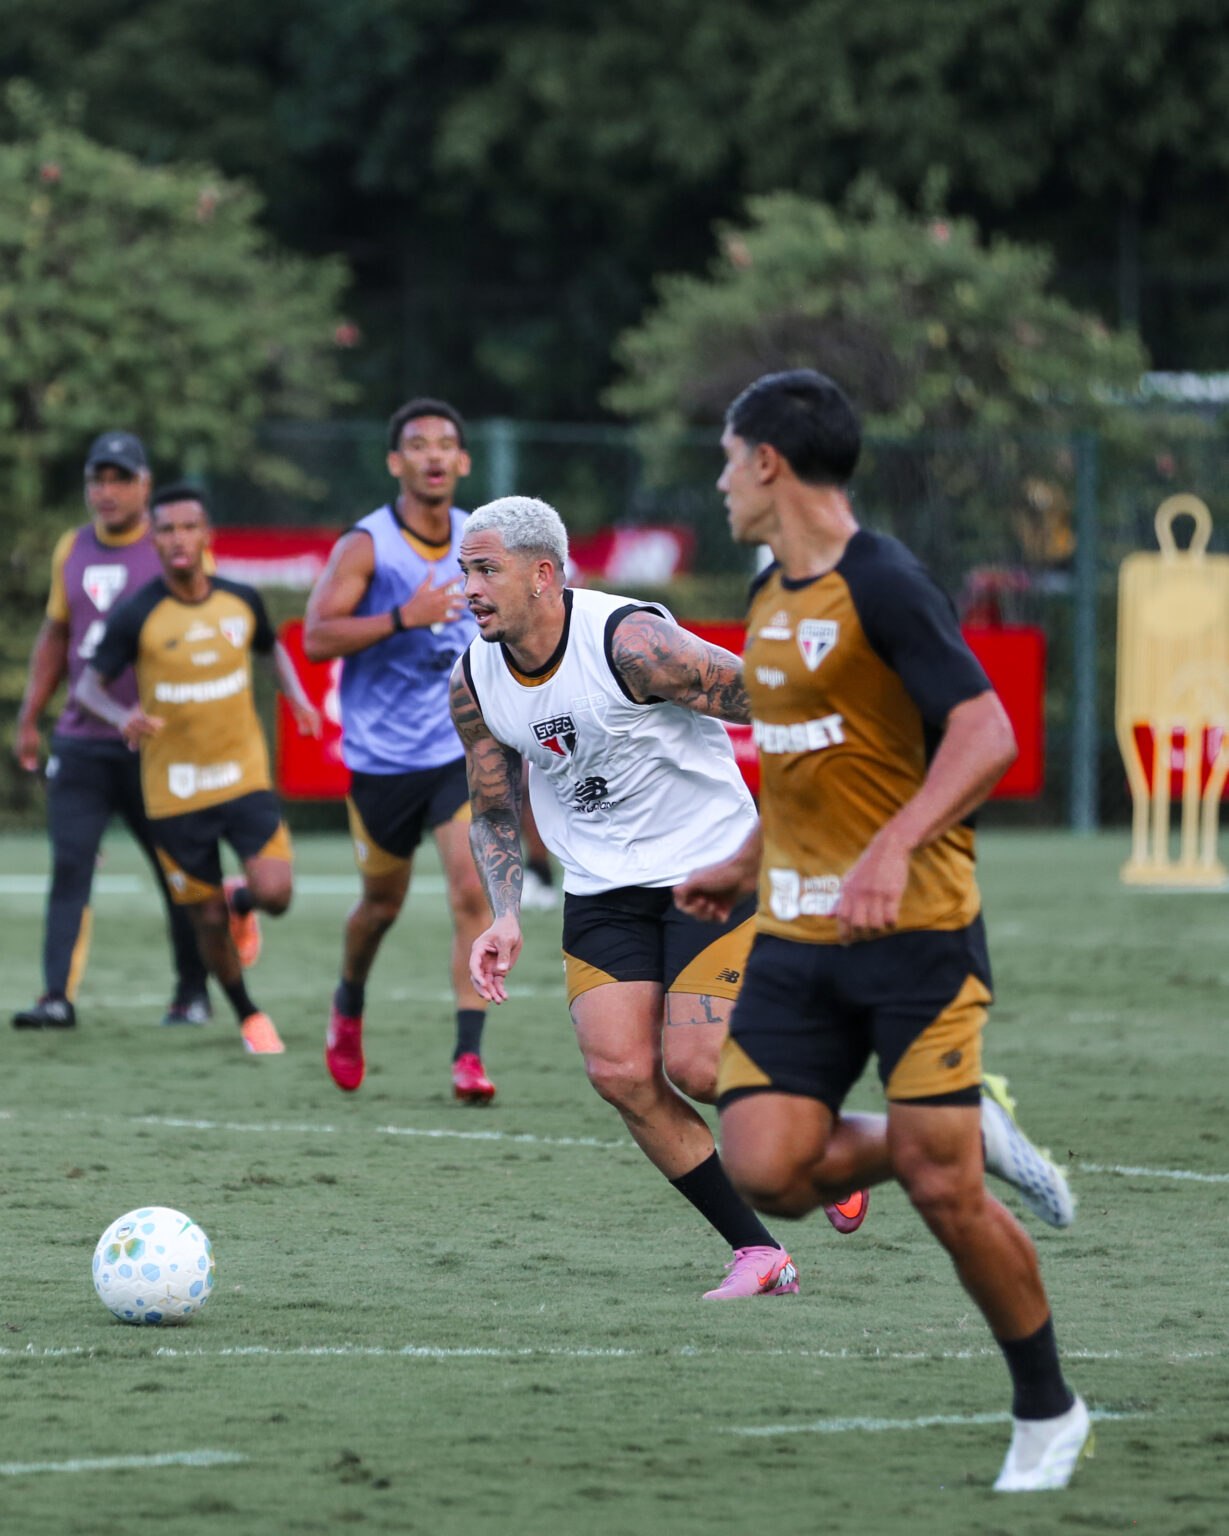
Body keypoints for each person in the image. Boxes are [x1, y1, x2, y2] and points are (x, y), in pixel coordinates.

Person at [675, 369, 1088, 1489]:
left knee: (943, 1192)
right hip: (797, 944)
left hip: (916, 940)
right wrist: (743, 860)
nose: (717, 483)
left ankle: (1046, 1411)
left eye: (724, 460)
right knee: (765, 1168)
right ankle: (952, 1132)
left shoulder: (885, 584)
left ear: (766, 461)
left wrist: (895, 847)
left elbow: (984, 734)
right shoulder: (766, 592)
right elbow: (818, 773)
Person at [451, 494, 870, 1301]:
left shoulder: (631, 644)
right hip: (603, 890)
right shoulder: (472, 679)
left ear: (543, 574)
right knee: (619, 1071)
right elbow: (495, 808)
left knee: (699, 1066)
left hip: (709, 869)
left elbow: (776, 704)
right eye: (464, 570)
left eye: (484, 570)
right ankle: (759, 1253)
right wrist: (504, 911)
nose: (467, 587)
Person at [74, 484, 320, 1055]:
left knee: (277, 892)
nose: (178, 539)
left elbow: (268, 648)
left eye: (189, 527)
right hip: (174, 793)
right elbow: (89, 685)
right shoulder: (138, 613)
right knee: (203, 920)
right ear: (154, 539)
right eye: (167, 529)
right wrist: (121, 714)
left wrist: (298, 698)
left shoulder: (241, 598)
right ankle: (248, 1014)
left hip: (242, 775)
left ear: (206, 535)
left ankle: (245, 901)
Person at [303, 398, 495, 1101]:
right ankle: (348, 1001)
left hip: (456, 751)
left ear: (464, 462)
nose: (435, 455)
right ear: (396, 462)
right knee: (379, 907)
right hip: (382, 764)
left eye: (447, 444)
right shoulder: (367, 545)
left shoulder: (483, 535)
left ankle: (467, 1056)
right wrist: (400, 618)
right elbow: (317, 636)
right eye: (419, 445)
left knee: (472, 889)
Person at [12, 432, 211, 1031]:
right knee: (70, 864)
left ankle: (191, 992)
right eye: (97, 480)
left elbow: (210, 630)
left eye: (120, 479)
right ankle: (55, 997)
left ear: (145, 486)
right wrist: (29, 716)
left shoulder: (171, 547)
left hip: (157, 744)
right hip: (81, 742)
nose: (107, 491)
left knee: (177, 870)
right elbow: (55, 636)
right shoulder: (71, 547)